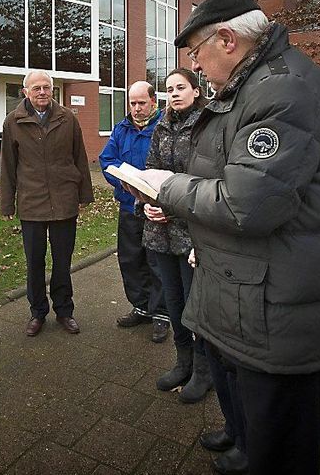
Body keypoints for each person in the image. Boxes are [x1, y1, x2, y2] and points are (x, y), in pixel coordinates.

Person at [132, 0, 320, 475]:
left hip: (279, 305)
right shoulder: (254, 86)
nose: (196, 64)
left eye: (197, 52)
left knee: (283, 446)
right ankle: (244, 447)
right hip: (253, 291)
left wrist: (168, 188)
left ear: (228, 39)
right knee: (259, 423)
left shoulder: (281, 90)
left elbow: (247, 203)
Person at [0, 70, 94, 337]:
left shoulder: (68, 119)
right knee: (35, 263)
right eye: (36, 88)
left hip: (64, 202)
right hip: (31, 204)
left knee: (62, 261)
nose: (42, 92)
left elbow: (80, 158)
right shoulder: (13, 122)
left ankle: (64, 311)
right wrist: (7, 204)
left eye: (47, 88)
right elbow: (7, 166)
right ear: (25, 91)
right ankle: (37, 312)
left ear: (53, 90)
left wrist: (84, 195)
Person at [141, 67, 214, 403]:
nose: (174, 93)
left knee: (193, 303)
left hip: (190, 231)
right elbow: (152, 170)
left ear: (196, 91)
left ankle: (203, 371)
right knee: (173, 301)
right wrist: (147, 202)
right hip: (160, 229)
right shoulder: (161, 125)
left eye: (180, 87)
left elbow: (201, 178)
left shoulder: (207, 124)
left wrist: (170, 207)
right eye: (169, 89)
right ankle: (182, 362)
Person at [98, 81, 170, 343]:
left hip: (155, 209)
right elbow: (107, 160)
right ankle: (141, 307)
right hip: (129, 205)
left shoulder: (164, 127)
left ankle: (162, 313)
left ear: (153, 101)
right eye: (132, 103)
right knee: (130, 259)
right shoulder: (122, 128)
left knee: (156, 262)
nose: (137, 108)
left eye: (141, 103)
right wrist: (126, 184)